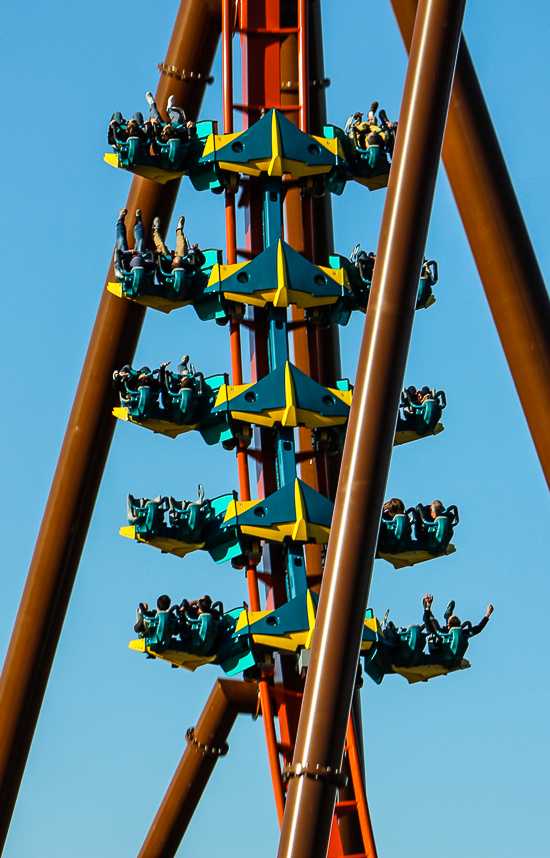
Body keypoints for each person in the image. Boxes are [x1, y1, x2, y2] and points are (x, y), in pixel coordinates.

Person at [422, 593, 494, 644]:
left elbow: (426, 620)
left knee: (431, 620)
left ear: (447, 624)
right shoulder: (461, 633)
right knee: (434, 621)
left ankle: (428, 609)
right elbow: (478, 628)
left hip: (440, 650)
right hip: (446, 642)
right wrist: (487, 615)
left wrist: (427, 607)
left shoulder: (442, 632)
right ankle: (448, 613)